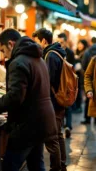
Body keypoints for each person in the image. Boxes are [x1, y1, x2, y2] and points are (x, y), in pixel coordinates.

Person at [0, 29, 58, 171]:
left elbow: (15, 97)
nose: (4, 55)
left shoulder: (19, 62)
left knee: (9, 166)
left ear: (10, 44)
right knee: (36, 165)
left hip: (27, 125)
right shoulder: (37, 57)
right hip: (42, 121)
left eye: (3, 51)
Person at [33, 28, 67, 171]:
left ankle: (56, 167)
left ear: (44, 41)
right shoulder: (57, 52)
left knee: (52, 137)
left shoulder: (50, 55)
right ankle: (62, 164)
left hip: (53, 101)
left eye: (36, 42)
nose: (35, 45)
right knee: (58, 134)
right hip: (59, 98)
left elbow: (48, 80)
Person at [57, 33, 75, 138]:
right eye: (58, 42)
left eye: (62, 42)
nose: (60, 44)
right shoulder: (56, 52)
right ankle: (62, 126)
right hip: (59, 83)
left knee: (68, 105)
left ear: (66, 42)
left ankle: (68, 126)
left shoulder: (70, 53)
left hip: (68, 83)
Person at [81, 37, 96, 124]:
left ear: (91, 42)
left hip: (90, 79)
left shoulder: (88, 51)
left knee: (88, 99)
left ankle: (87, 118)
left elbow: (83, 64)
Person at [73, 39, 89, 113]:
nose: (79, 45)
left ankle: (79, 106)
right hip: (76, 74)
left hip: (81, 75)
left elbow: (84, 65)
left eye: (81, 44)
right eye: (78, 43)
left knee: (79, 91)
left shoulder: (85, 53)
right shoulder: (77, 52)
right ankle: (76, 105)